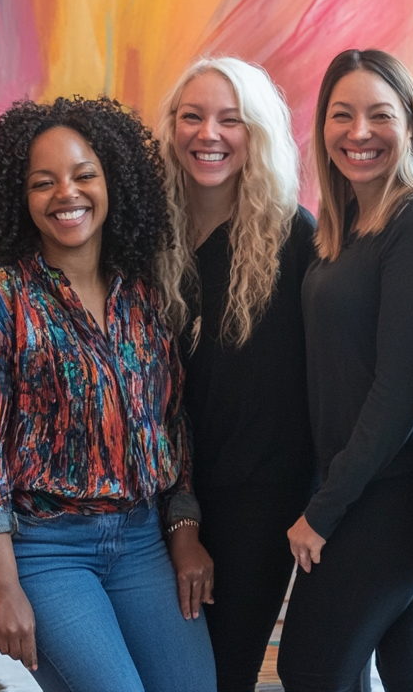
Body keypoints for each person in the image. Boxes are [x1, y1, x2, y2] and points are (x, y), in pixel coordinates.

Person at [0, 96, 217, 692]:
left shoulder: (142, 294)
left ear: (113, 182)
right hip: (41, 549)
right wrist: (1, 587)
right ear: (20, 198)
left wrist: (184, 530)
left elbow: (169, 423)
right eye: (43, 182)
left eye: (83, 175)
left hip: (141, 540)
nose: (66, 193)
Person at [278, 49, 413, 692]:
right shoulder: (347, 224)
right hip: (374, 482)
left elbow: (399, 390)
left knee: (309, 667)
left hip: (393, 488)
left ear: (409, 123)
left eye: (380, 115)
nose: (359, 132)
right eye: (341, 115)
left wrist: (323, 509)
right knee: (410, 664)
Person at [155, 57, 316, 692]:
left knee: (226, 671)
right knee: (167, 670)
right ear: (172, 126)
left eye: (231, 120)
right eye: (192, 117)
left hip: (260, 498)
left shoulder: (294, 239)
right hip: (159, 494)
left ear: (258, 133)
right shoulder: (147, 235)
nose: (209, 134)